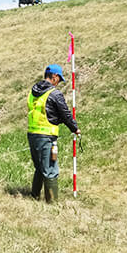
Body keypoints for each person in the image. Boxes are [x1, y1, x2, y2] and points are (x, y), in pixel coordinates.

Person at [27, 63, 79, 203]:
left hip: (32, 135)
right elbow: (65, 113)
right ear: (54, 77)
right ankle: (52, 203)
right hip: (47, 137)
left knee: (39, 168)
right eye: (59, 79)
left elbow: (47, 112)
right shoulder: (54, 93)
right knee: (50, 169)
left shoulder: (33, 92)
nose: (59, 83)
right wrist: (75, 128)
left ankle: (34, 197)